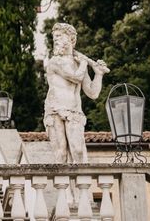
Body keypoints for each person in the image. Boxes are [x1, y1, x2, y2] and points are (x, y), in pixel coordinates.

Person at [43, 22, 109, 164]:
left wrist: (98, 74)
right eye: (54, 37)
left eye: (59, 36)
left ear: (71, 39)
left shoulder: (78, 64)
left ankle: (79, 185)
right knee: (60, 154)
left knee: (78, 150)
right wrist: (85, 64)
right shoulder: (55, 62)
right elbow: (75, 77)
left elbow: (92, 93)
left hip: (74, 110)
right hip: (54, 109)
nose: (56, 40)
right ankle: (64, 186)